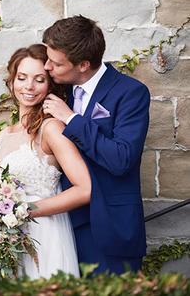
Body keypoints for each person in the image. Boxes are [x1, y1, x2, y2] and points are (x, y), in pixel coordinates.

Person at [40, 15, 150, 274]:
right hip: (61, 230)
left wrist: (71, 119)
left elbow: (121, 159)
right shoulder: (57, 90)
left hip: (110, 229)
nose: (47, 67)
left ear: (83, 64)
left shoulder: (130, 93)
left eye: (55, 63)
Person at [0, 44, 91, 279]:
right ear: (12, 81)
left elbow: (85, 189)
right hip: (8, 240)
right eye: (22, 78)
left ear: (50, 86)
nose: (29, 87)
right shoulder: (5, 134)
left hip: (44, 236)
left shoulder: (51, 128)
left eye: (39, 80)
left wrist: (26, 210)